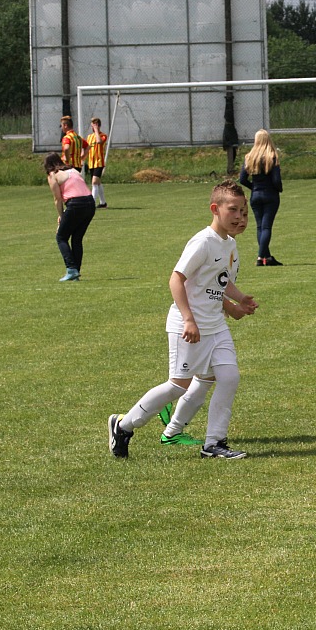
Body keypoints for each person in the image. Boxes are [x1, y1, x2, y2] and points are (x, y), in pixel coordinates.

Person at [108, 180, 258, 460]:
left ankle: (214, 443)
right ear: (215, 209)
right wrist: (189, 319)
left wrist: (238, 302)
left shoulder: (230, 244)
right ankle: (124, 425)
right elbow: (176, 280)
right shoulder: (203, 242)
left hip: (215, 326)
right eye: (233, 210)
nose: (240, 217)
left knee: (229, 377)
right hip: (190, 327)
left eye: (244, 212)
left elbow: (218, 283)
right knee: (179, 385)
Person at [44, 152, 96, 282]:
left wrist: (61, 217)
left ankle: (71, 269)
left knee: (61, 237)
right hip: (90, 203)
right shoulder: (73, 170)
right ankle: (76, 272)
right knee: (77, 239)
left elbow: (58, 199)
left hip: (75, 204)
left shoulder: (53, 175)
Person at [238, 129, 283, 266]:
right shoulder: (272, 156)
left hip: (256, 195)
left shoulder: (250, 157)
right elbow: (276, 180)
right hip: (270, 195)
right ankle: (260, 256)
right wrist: (279, 189)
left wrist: (254, 187)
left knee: (260, 227)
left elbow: (242, 179)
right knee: (267, 227)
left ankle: (267, 257)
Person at [85, 117, 109, 209]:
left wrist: (96, 130)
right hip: (92, 162)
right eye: (92, 125)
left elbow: (99, 141)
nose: (92, 127)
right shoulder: (89, 137)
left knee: (94, 181)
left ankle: (92, 203)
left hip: (99, 162)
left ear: (98, 125)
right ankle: (103, 203)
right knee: (97, 183)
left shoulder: (103, 135)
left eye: (94, 125)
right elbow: (88, 148)